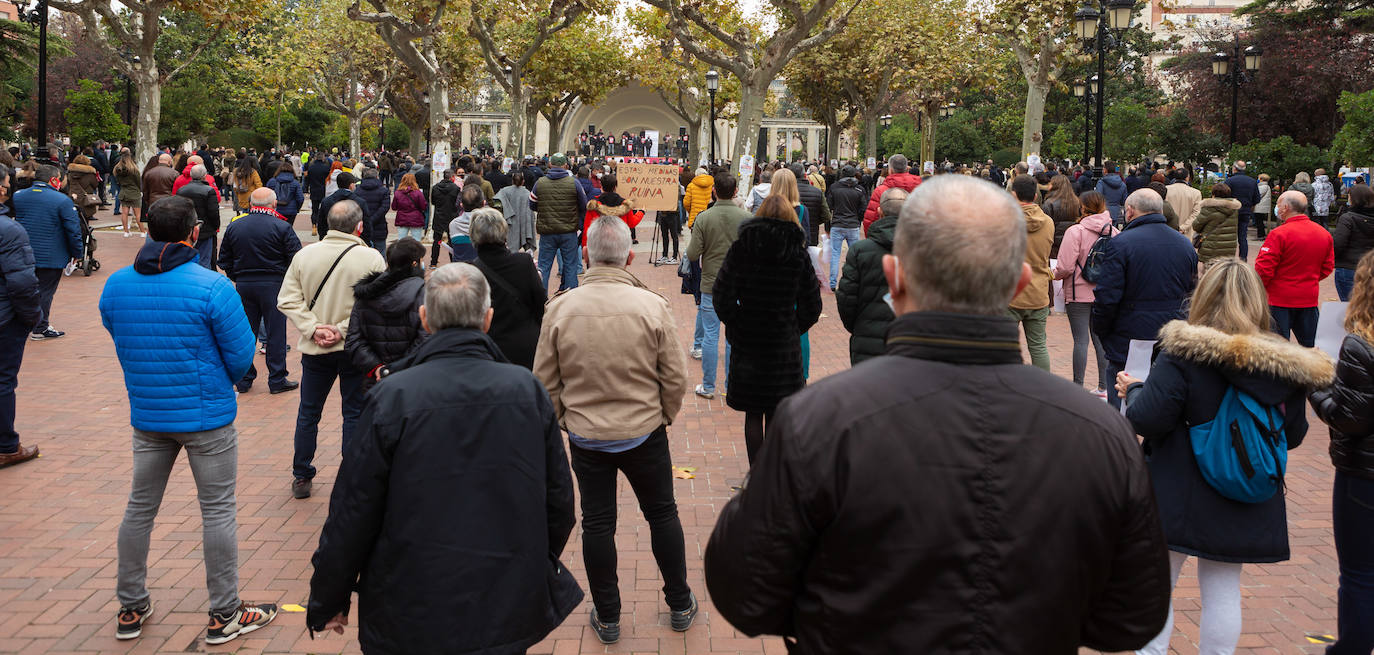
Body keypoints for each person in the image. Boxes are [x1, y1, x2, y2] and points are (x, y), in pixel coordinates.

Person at [704, 174, 1172, 654]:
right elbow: (1131, 616)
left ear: (897, 278)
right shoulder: (1099, 434)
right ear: (1018, 285)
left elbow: (746, 591)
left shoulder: (820, 422)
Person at [307, 262, 581, 653]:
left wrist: (329, 597)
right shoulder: (526, 390)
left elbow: (354, 508)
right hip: (503, 597)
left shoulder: (392, 396)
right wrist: (529, 561)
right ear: (487, 319)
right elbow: (559, 501)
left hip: (410, 599)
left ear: (425, 319)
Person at [1116, 259, 1333, 655]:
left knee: (1158, 583)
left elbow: (1149, 418)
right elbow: (1295, 435)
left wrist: (1133, 390)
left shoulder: (1184, 350)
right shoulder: (1282, 362)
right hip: (1246, 485)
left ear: (1201, 295)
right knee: (1222, 587)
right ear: (1257, 301)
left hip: (1178, 485)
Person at [98, 195, 279, 645]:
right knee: (216, 510)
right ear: (194, 233)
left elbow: (114, 328)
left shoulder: (117, 285)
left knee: (140, 509)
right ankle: (224, 612)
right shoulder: (211, 286)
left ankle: (131, 604)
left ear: (147, 229)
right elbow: (240, 357)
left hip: (149, 412)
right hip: (206, 416)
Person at [533, 216, 697, 645]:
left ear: (585, 254)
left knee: (598, 523)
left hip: (588, 436)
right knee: (662, 513)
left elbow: (545, 383)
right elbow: (675, 378)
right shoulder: (651, 306)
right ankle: (679, 602)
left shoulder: (561, 308)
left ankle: (608, 615)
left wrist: (566, 421)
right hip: (643, 429)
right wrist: (663, 415)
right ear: (628, 255)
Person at [278, 200, 386, 499]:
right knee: (353, 412)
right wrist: (340, 329)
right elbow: (375, 305)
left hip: (315, 348)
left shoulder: (305, 255)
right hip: (355, 347)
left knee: (309, 412)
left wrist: (314, 328)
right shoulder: (371, 258)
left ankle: (302, 474)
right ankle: (351, 474)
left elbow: (287, 299)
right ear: (359, 226)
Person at [713, 194, 822, 465]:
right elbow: (812, 303)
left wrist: (737, 323)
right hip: (782, 344)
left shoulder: (742, 248)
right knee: (776, 411)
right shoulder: (797, 252)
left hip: (749, 340)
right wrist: (793, 327)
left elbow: (722, 294)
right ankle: (770, 475)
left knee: (753, 412)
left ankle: (756, 472)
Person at [1308, 250, 1374, 655]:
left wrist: (1316, 385)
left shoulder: (1360, 347)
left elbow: (1349, 418)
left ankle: (1351, 647)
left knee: (1360, 572)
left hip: (1364, 476)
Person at [1092, 188, 1198, 408]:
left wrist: (1102, 329)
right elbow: (1192, 291)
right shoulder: (1184, 244)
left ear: (1129, 212)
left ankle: (1122, 440)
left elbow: (1107, 295)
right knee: (1164, 396)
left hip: (1129, 332)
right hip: (1171, 330)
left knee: (1121, 396)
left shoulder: (1122, 243)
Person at [218, 187, 302, 395]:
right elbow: (296, 258)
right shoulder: (281, 226)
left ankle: (244, 378)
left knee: (246, 333)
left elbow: (224, 259)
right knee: (275, 333)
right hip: (274, 283)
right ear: (274, 204)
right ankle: (276, 378)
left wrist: (237, 276)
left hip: (245, 283)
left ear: (251, 204)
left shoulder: (235, 226)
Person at [686, 173, 751, 398]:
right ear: (735, 192)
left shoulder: (704, 218)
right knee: (734, 335)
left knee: (710, 336)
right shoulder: (746, 218)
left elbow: (693, 253)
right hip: (739, 285)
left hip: (711, 283)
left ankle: (708, 386)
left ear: (714, 191)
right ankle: (732, 384)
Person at [1053, 191, 1116, 398]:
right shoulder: (1113, 232)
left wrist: (1054, 275)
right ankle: (1104, 387)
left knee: (1080, 341)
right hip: (1103, 293)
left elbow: (1065, 266)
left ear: (1083, 207)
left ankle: (1077, 388)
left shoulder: (1076, 231)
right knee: (1100, 341)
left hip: (1078, 292)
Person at [0, 162, 41, 467]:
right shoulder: (10, 231)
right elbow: (22, 282)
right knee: (3, 380)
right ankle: (6, 445)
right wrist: (32, 316)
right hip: (5, 318)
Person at [836, 187, 906, 366]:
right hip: (909, 341)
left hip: (867, 340)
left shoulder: (860, 250)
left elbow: (846, 298)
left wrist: (859, 327)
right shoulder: (925, 251)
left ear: (879, 212)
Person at [11, 164, 81, 341]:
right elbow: (73, 230)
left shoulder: (19, 196)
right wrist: (77, 252)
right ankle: (40, 326)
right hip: (51, 254)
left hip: (23, 252)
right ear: (54, 180)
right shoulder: (62, 200)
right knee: (45, 292)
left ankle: (23, 322)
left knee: (25, 289)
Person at [344, 237, 428, 386]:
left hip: (375, 382)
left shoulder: (365, 295)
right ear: (414, 263)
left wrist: (378, 368)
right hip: (413, 380)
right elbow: (425, 340)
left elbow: (354, 340)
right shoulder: (423, 294)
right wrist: (397, 369)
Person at [1256, 191, 1334, 347]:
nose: (1276, 208)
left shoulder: (1278, 234)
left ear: (1285, 207)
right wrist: (1308, 279)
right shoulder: (1323, 234)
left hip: (1278, 300)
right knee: (1311, 346)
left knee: (1276, 347)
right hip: (1308, 298)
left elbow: (1263, 269)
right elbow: (1327, 266)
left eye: (1278, 204)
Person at [470, 208, 546, 369]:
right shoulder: (523, 263)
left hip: (486, 351)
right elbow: (541, 305)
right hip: (524, 347)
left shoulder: (470, 271)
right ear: (504, 232)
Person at [1008, 174, 1054, 372]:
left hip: (1010, 291)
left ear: (1013, 194)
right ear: (1035, 196)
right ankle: (1043, 389)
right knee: (1038, 346)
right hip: (1038, 290)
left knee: (1005, 347)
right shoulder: (1048, 222)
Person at [531, 152, 586, 291]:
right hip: (569, 232)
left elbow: (532, 204)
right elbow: (583, 204)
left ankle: (541, 301)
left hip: (547, 231)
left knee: (543, 267)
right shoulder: (574, 183)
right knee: (570, 266)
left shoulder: (540, 183)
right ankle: (571, 299)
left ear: (550, 164)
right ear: (565, 165)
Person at [827, 165, 867, 290]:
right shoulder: (859, 190)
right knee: (854, 255)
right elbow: (863, 208)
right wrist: (858, 220)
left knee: (835, 254)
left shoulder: (834, 188)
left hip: (838, 223)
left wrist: (829, 226)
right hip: (853, 224)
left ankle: (833, 283)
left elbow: (829, 207)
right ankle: (854, 281)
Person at [1333, 184, 1374, 302]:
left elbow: (1338, 244)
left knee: (1349, 305)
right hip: (1370, 266)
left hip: (1349, 267)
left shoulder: (1348, 218)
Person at [176, 165, 222, 269]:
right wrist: (215, 226)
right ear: (205, 175)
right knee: (205, 259)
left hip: (187, 228)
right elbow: (213, 212)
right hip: (205, 229)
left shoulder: (181, 190)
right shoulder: (209, 190)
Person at [862, 154, 921, 230]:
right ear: (907, 168)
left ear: (890, 170)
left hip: (886, 235)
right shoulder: (922, 189)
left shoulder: (880, 191)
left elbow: (871, 219)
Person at [1193, 183, 1241, 265]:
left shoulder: (1209, 208)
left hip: (1211, 247)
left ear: (1213, 194)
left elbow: (1196, 226)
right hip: (1229, 248)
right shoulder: (1234, 209)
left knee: (1210, 273)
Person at [316, 172, 370, 243]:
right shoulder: (360, 202)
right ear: (351, 185)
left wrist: (323, 238)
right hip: (354, 240)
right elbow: (366, 225)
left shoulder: (326, 201)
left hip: (332, 240)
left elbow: (321, 224)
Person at [1225, 161, 1261, 260]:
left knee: (1229, 236)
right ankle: (1243, 259)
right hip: (1245, 211)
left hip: (1231, 212)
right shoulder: (1252, 181)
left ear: (1235, 168)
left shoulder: (1229, 181)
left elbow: (1224, 196)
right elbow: (1257, 199)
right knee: (1242, 237)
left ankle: (1229, 258)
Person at [791, 162, 832, 248]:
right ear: (805, 174)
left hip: (791, 236)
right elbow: (826, 215)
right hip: (811, 235)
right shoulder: (817, 192)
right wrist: (814, 221)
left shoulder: (787, 192)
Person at [495, 169, 536, 253]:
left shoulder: (504, 191)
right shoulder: (527, 193)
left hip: (507, 223)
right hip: (522, 223)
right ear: (523, 181)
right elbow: (530, 213)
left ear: (512, 181)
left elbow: (496, 204)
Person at [1041, 174, 1081, 258]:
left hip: (1053, 241)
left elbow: (1044, 225)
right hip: (1071, 239)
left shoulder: (1049, 203)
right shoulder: (1077, 202)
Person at [353, 168, 389, 253]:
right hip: (379, 225)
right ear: (377, 176)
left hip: (362, 226)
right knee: (380, 253)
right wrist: (372, 219)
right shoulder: (383, 190)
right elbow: (384, 207)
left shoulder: (357, 191)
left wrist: (366, 220)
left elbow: (355, 207)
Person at [428, 169, 459, 264]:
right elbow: (457, 203)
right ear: (452, 177)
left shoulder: (435, 188)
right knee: (451, 241)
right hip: (451, 217)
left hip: (439, 216)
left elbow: (433, 202)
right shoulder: (456, 188)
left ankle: (433, 261)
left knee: (437, 240)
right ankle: (453, 260)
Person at [265, 161, 305, 227]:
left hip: (275, 210)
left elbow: (266, 196)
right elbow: (300, 198)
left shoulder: (272, 181)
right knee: (288, 228)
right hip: (291, 210)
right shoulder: (295, 183)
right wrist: (297, 208)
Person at [113, 150, 144, 237]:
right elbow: (138, 182)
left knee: (124, 213)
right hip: (134, 192)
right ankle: (142, 232)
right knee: (138, 214)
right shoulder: (134, 170)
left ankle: (126, 231)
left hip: (123, 192)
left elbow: (117, 181)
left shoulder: (117, 170)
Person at [1165, 168, 1203, 236]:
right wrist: (1183, 227)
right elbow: (1196, 213)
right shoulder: (1196, 193)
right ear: (1187, 177)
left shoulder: (1166, 190)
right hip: (1186, 232)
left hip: (1167, 230)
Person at [65, 154, 101, 221]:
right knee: (85, 220)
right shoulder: (90, 173)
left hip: (73, 196)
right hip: (86, 199)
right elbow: (95, 184)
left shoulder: (70, 173)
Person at [1255, 173, 1273, 239]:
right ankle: (1261, 234)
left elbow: (1258, 195)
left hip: (1260, 206)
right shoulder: (1266, 186)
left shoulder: (1263, 186)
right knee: (1260, 221)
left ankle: (1261, 235)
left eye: (1258, 178)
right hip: (1262, 206)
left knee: (1259, 221)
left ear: (1261, 179)